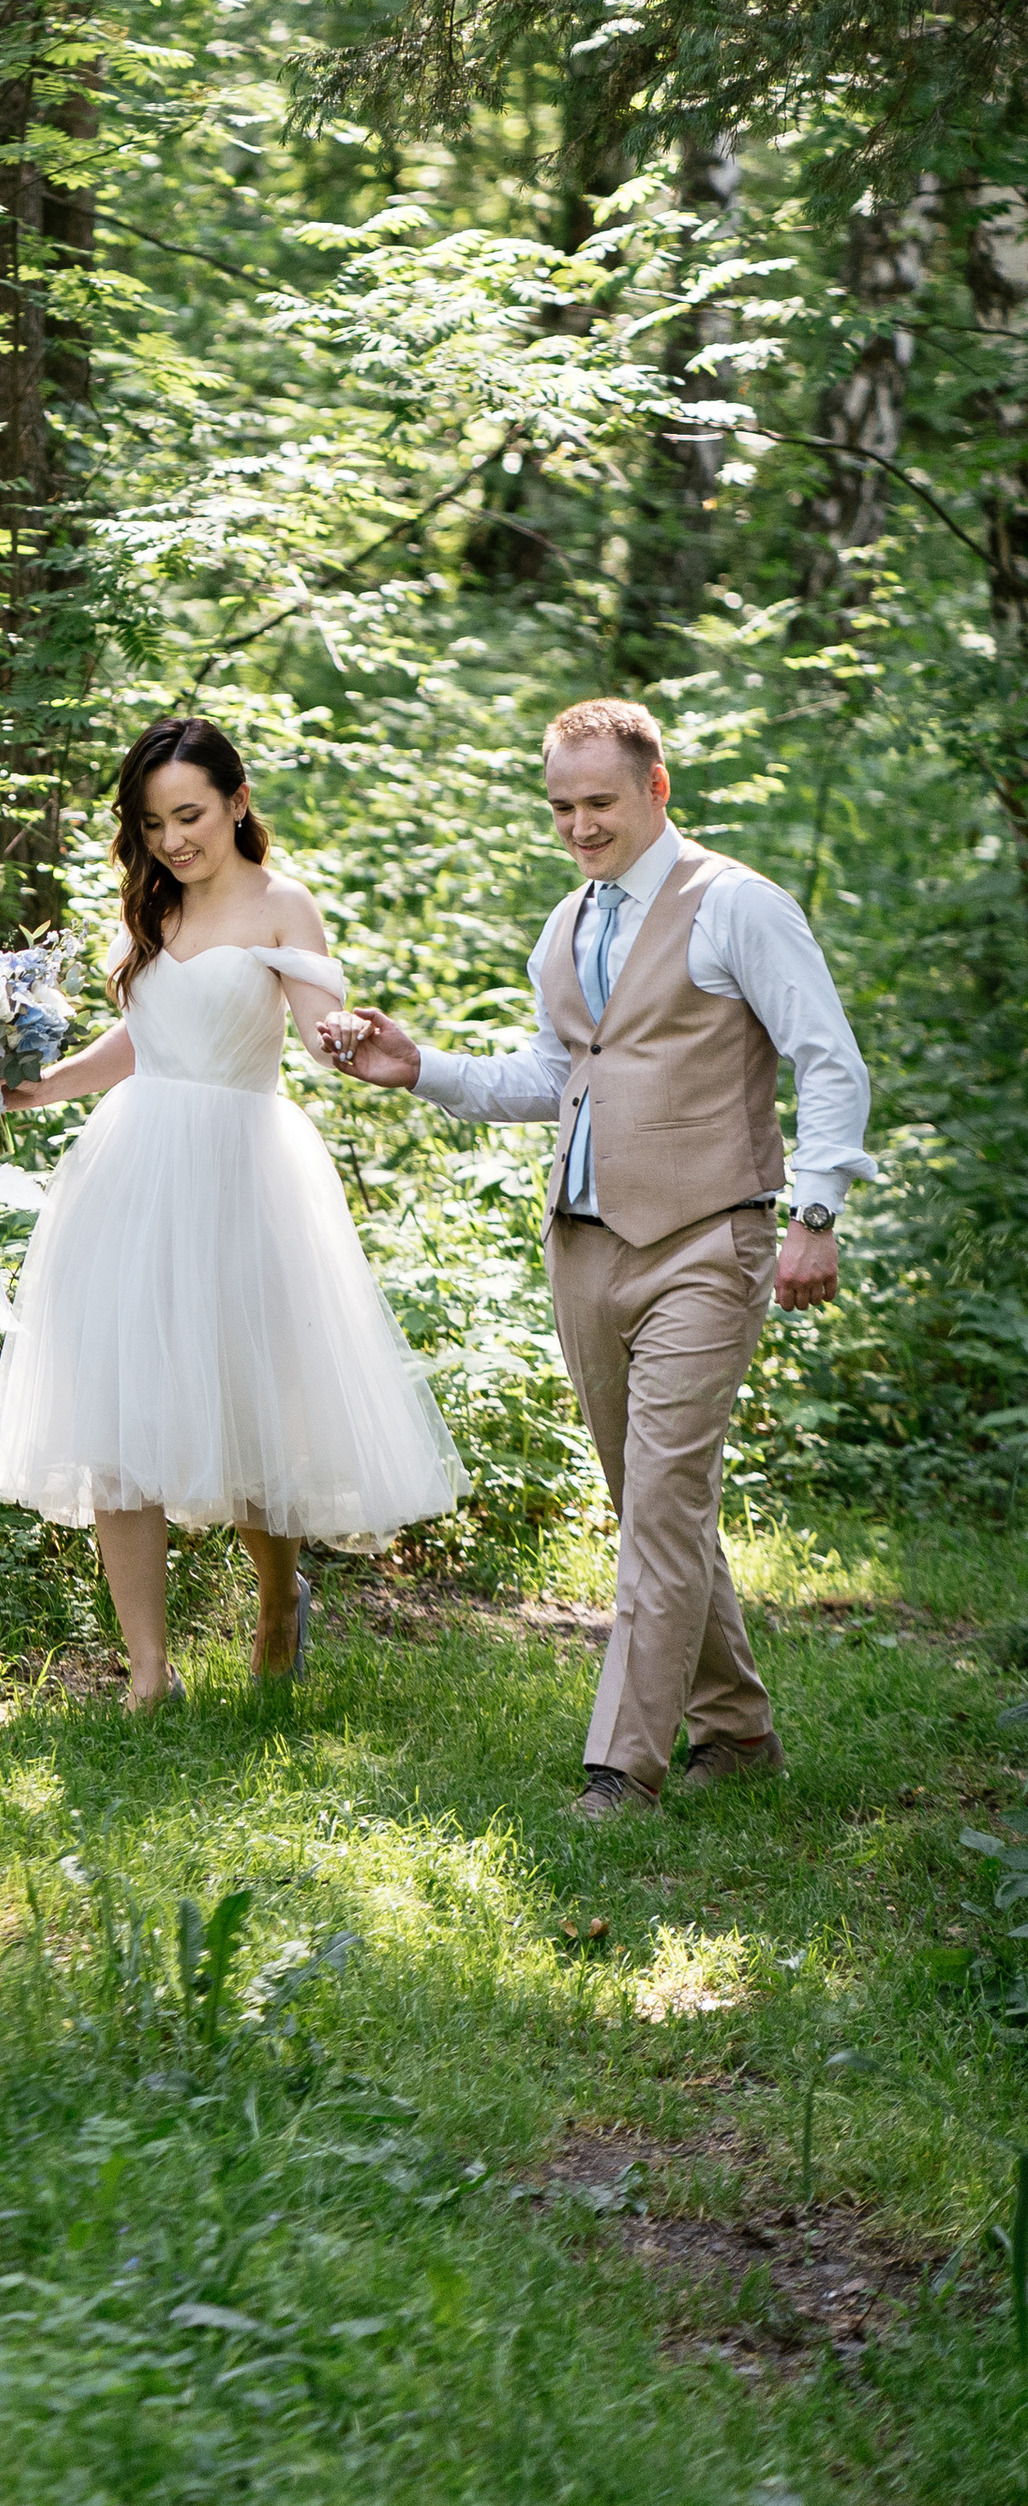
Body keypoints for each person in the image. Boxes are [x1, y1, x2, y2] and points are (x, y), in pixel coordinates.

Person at [326, 694, 874, 1821]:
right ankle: (739, 1730)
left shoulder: (737, 908)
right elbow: (552, 1077)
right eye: (562, 806)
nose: (579, 825)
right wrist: (416, 1066)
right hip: (583, 1247)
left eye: (600, 803)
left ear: (655, 789)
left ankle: (621, 1767)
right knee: (648, 1503)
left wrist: (815, 1212)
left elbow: (829, 1062)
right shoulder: (567, 923)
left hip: (707, 1240)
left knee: (664, 1498)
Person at [0, 715, 467, 1709]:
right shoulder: (152, 909)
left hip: (242, 1169)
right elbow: (141, 1040)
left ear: (237, 803)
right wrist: (34, 1089)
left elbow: (315, 1033)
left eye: (189, 815)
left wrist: (341, 1036)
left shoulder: (283, 906)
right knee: (116, 1408)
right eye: (153, 823)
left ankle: (280, 1599)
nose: (172, 842)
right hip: (130, 1168)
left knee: (245, 1411)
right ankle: (149, 1672)